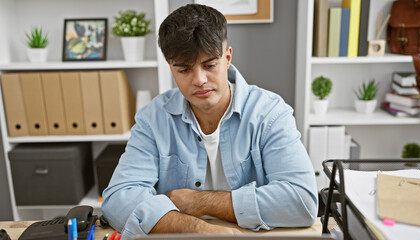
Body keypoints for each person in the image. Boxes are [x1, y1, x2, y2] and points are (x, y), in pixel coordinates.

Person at [102, 3, 318, 238]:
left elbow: (302, 201)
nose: (199, 80)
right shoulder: (153, 119)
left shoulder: (270, 113)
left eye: (210, 65)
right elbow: (118, 199)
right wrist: (201, 229)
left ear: (227, 57)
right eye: (184, 70)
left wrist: (200, 202)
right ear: (171, 68)